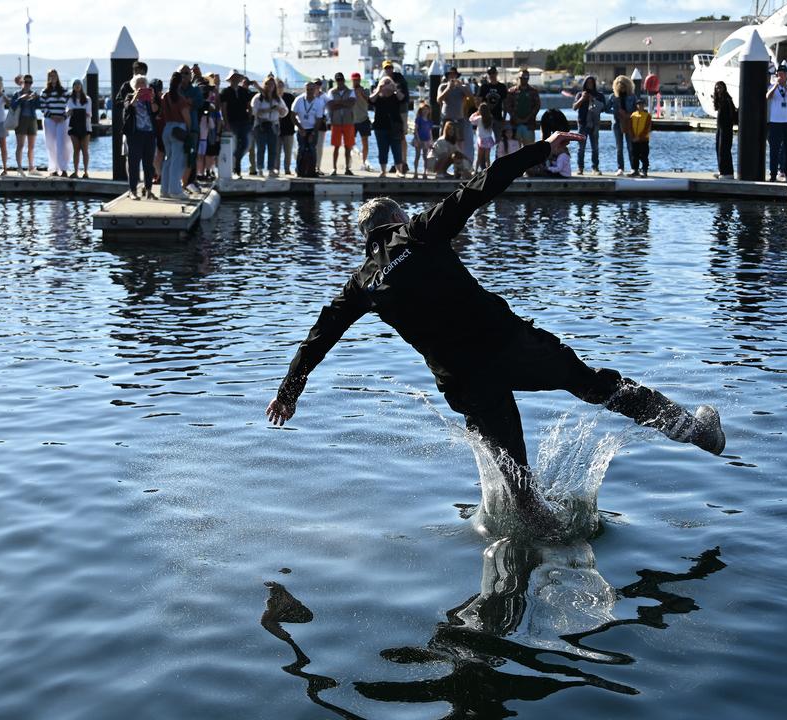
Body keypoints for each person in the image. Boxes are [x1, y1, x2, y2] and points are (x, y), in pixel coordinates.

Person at [264, 131, 725, 536]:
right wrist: (543, 149)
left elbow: (317, 338)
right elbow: (480, 186)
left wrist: (289, 392)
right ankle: (698, 432)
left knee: (517, 478)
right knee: (595, 385)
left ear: (366, 238)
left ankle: (540, 538)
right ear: (398, 220)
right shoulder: (421, 233)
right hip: (508, 345)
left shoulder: (362, 284)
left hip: (464, 380)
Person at [123, 74, 159, 199]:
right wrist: (136, 97)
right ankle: (132, 191)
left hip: (149, 134)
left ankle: (148, 190)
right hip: (135, 134)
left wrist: (153, 98)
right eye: (139, 84)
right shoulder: (129, 96)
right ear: (134, 86)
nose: (141, 86)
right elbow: (128, 107)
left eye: (143, 84)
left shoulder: (149, 99)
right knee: (134, 163)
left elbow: (155, 111)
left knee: (148, 164)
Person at [159, 71, 193, 198]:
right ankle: (175, 190)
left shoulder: (165, 96)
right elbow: (186, 117)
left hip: (167, 128)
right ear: (180, 83)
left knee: (168, 160)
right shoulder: (180, 98)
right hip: (178, 129)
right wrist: (189, 131)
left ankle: (165, 190)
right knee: (177, 161)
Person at [251, 74, 288, 178]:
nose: (270, 86)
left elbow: (285, 111)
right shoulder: (258, 98)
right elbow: (255, 111)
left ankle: (271, 169)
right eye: (267, 84)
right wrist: (269, 110)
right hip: (261, 125)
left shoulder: (277, 99)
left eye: (272, 84)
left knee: (273, 149)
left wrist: (280, 110)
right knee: (261, 147)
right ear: (264, 85)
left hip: (273, 125)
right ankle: (260, 169)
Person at [767, 64, 787, 183]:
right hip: (775, 122)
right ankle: (773, 174)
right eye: (779, 74)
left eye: (783, 74)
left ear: (786, 75)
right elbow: (768, 97)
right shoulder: (772, 86)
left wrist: (785, 86)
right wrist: (776, 85)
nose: (781, 76)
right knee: (774, 149)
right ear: (777, 75)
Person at [291, 80, 327, 178]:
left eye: (312, 89)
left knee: (312, 149)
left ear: (315, 89)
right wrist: (300, 128)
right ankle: (299, 171)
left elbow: (319, 119)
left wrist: (313, 133)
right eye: (308, 89)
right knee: (301, 149)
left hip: (312, 129)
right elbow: (293, 115)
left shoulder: (318, 102)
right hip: (301, 128)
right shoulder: (298, 100)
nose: (310, 91)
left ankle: (312, 171)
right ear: (305, 89)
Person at [220, 70, 254, 174]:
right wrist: (226, 123)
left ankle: (237, 161)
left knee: (244, 144)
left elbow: (249, 106)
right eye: (233, 78)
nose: (235, 79)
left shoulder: (244, 91)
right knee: (234, 145)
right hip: (232, 122)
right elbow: (224, 109)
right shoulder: (225, 92)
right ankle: (235, 167)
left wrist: (249, 118)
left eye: (237, 77)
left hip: (244, 122)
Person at [371, 76, 405, 178]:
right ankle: (383, 171)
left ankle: (399, 170)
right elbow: (371, 100)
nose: (386, 85)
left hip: (395, 126)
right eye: (384, 83)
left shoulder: (395, 96)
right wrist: (378, 90)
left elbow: (402, 98)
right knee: (382, 149)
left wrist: (394, 89)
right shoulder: (378, 96)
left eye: (388, 83)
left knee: (397, 149)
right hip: (380, 127)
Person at [381, 60, 411, 174]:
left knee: (402, 135)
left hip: (401, 110)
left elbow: (400, 97)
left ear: (392, 68)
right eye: (386, 68)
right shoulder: (384, 80)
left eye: (390, 67)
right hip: (391, 111)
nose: (388, 70)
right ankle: (397, 163)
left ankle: (404, 162)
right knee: (392, 137)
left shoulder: (399, 79)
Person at [437, 66, 472, 162]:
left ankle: (459, 169)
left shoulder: (462, 86)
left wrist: (460, 86)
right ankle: (441, 169)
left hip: (459, 119)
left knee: (460, 144)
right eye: (450, 74)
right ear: (448, 76)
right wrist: (448, 88)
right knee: (444, 143)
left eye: (454, 74)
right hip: (446, 118)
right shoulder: (443, 86)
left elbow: (470, 96)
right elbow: (439, 100)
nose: (452, 76)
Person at [572, 75, 604, 175]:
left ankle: (595, 168)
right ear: (585, 84)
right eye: (588, 82)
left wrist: (593, 100)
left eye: (591, 82)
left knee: (595, 148)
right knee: (581, 148)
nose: (589, 84)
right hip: (582, 124)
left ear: (594, 84)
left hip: (595, 125)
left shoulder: (599, 95)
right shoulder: (580, 94)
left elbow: (603, 108)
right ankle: (580, 168)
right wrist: (582, 99)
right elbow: (574, 107)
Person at [38, 70, 69, 177]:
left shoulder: (64, 91)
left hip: (62, 120)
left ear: (57, 76)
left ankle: (63, 169)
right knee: (50, 145)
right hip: (49, 120)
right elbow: (43, 106)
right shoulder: (44, 92)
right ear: (48, 78)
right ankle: (53, 169)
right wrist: (52, 116)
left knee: (62, 144)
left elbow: (69, 106)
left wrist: (63, 116)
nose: (53, 77)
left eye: (54, 75)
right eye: (51, 76)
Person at [328, 72, 357, 175]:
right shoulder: (331, 92)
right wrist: (344, 102)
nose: (340, 81)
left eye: (341, 79)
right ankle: (334, 168)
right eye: (338, 80)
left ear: (344, 80)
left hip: (348, 122)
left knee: (348, 146)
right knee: (336, 146)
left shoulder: (351, 91)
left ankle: (347, 168)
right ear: (336, 81)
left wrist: (338, 102)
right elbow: (331, 105)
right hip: (335, 122)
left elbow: (352, 103)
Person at [606, 75, 636, 176]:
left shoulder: (632, 97)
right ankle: (620, 168)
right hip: (617, 124)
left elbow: (637, 111)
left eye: (623, 84)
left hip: (629, 123)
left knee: (630, 147)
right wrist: (616, 111)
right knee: (619, 148)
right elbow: (606, 109)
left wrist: (628, 114)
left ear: (627, 85)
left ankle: (633, 168)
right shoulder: (613, 97)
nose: (621, 86)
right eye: (619, 84)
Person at [11, 74, 40, 175]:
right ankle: (19, 168)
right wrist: (21, 99)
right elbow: (12, 106)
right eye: (26, 82)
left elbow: (38, 106)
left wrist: (37, 98)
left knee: (31, 146)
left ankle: (31, 168)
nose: (28, 84)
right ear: (22, 82)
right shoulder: (17, 94)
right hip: (20, 120)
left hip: (32, 119)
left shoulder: (33, 93)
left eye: (30, 82)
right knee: (20, 145)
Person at [504, 69, 541, 145]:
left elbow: (537, 106)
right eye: (522, 77)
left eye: (526, 77)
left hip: (529, 125)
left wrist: (527, 118)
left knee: (529, 150)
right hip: (515, 125)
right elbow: (508, 106)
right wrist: (516, 118)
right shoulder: (511, 92)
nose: (524, 79)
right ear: (519, 77)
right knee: (515, 151)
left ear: (528, 78)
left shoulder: (534, 91)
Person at [66, 79, 92, 179]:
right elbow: (68, 112)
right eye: (75, 84)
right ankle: (75, 171)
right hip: (73, 126)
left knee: (85, 149)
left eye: (79, 84)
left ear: (81, 86)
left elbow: (89, 113)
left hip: (86, 126)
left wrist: (76, 112)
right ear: (73, 86)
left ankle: (85, 172)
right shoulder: (70, 99)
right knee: (76, 149)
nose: (77, 86)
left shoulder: (87, 99)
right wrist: (73, 112)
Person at [476, 66, 508, 145]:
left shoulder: (502, 87)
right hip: (485, 119)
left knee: (499, 142)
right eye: (490, 73)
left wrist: (504, 118)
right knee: (484, 144)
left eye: (493, 73)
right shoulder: (484, 87)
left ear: (496, 74)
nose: (492, 75)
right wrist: (480, 115)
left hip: (498, 118)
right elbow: (478, 103)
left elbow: (505, 103)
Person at [713, 81, 736, 179]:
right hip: (720, 128)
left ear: (724, 88)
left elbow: (732, 115)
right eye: (717, 88)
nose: (718, 90)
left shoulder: (727, 99)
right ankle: (722, 171)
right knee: (718, 149)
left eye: (720, 88)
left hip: (726, 129)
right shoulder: (720, 100)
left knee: (724, 150)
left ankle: (728, 173)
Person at [350, 73, 373, 171]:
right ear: (352, 80)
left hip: (363, 119)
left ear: (360, 80)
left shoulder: (365, 90)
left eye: (357, 80)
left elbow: (370, 102)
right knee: (349, 143)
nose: (356, 81)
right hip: (352, 121)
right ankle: (349, 162)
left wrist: (361, 94)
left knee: (365, 142)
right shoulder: (349, 92)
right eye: (354, 80)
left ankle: (364, 162)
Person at [627, 99, 652, 177]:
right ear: (636, 105)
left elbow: (647, 128)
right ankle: (635, 170)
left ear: (644, 105)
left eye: (641, 104)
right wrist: (633, 137)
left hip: (643, 139)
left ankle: (644, 170)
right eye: (638, 104)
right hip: (634, 139)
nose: (640, 106)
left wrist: (639, 137)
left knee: (644, 155)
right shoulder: (633, 115)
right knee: (634, 155)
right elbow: (630, 127)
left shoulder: (647, 115)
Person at [468, 102, 496, 172]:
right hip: (489, 139)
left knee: (479, 157)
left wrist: (475, 113)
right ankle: (490, 171)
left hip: (481, 140)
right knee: (487, 158)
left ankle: (476, 171)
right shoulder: (490, 118)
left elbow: (471, 120)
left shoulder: (479, 118)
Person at [277, 80, 297, 176]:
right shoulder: (272, 98)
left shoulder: (289, 97)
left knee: (288, 152)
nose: (280, 88)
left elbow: (294, 112)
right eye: (278, 86)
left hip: (289, 129)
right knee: (276, 152)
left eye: (281, 86)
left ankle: (287, 169)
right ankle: (276, 169)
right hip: (275, 130)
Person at [412, 102, 434, 178]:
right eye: (423, 109)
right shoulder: (418, 119)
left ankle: (425, 172)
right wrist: (418, 139)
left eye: (427, 109)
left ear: (429, 111)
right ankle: (415, 172)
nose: (425, 111)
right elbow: (416, 130)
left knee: (425, 157)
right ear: (421, 111)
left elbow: (430, 131)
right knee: (417, 156)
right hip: (418, 139)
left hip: (426, 140)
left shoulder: (430, 121)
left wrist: (431, 141)